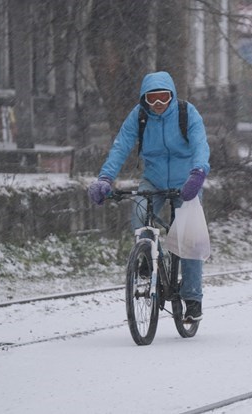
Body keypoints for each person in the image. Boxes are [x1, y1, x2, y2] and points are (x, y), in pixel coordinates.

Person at [87, 71, 210, 322]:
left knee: (190, 241)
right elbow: (121, 146)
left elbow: (200, 144)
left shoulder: (187, 113)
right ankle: (146, 259)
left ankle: (193, 299)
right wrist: (105, 178)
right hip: (153, 180)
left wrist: (198, 173)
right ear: (145, 99)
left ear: (172, 96)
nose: (158, 104)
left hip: (186, 182)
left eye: (163, 97)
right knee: (139, 212)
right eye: (152, 99)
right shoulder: (140, 116)